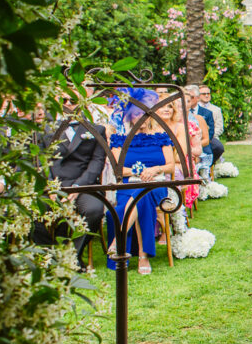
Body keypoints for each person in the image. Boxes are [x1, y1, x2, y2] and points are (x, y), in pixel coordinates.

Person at [30, 94, 107, 270]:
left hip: (84, 185)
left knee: (94, 210)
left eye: (73, 101)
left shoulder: (96, 130)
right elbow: (40, 162)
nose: (68, 104)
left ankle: (72, 255)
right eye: (63, 101)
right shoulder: (44, 130)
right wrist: (50, 186)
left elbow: (96, 163)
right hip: (52, 184)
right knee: (32, 209)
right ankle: (51, 255)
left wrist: (77, 187)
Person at [106, 89, 174, 275]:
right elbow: (118, 169)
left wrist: (155, 170)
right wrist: (138, 171)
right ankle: (143, 257)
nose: (140, 118)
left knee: (142, 193)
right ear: (129, 117)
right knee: (139, 196)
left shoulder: (160, 136)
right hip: (128, 185)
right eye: (136, 114)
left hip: (157, 186)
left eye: (144, 114)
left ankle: (117, 242)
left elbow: (170, 166)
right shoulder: (120, 140)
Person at [184, 85, 214, 177]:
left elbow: (207, 139)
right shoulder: (174, 120)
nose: (186, 103)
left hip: (199, 151)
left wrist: (192, 149)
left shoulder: (199, 118)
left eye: (189, 100)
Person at [198, 84, 225, 163]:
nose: (206, 95)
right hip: (196, 136)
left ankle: (209, 165)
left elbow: (219, 128)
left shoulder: (216, 109)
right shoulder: (194, 108)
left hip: (212, 137)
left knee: (218, 147)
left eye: (208, 93)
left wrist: (209, 135)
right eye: (204, 94)